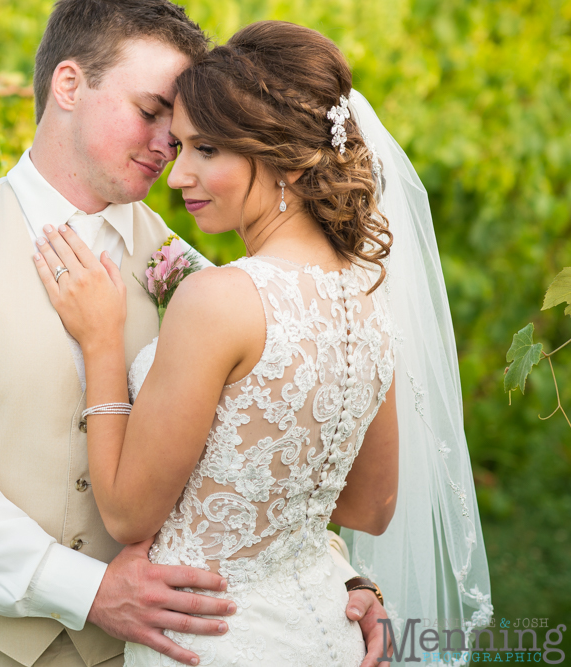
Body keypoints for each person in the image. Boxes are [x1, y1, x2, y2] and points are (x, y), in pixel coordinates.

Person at [0, 4, 392, 666]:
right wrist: (91, 591)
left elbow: (251, 458)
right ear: (69, 85)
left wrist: (335, 578)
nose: (170, 141)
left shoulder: (197, 278)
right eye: (150, 110)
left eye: (183, 125)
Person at [31, 18, 491, 667]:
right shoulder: (367, 297)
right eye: (179, 147)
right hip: (325, 633)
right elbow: (370, 505)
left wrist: (104, 344)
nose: (177, 174)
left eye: (206, 150)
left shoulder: (219, 298)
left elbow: (130, 515)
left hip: (209, 642)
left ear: (275, 154)